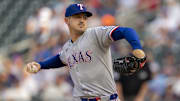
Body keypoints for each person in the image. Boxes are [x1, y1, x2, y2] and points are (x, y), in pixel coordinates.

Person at [25, 3, 146, 101]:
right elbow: (60, 59)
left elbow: (126, 31)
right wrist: (40, 65)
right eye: (77, 17)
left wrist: (137, 47)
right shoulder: (67, 46)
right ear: (66, 20)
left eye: (84, 17)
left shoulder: (96, 34)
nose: (82, 20)